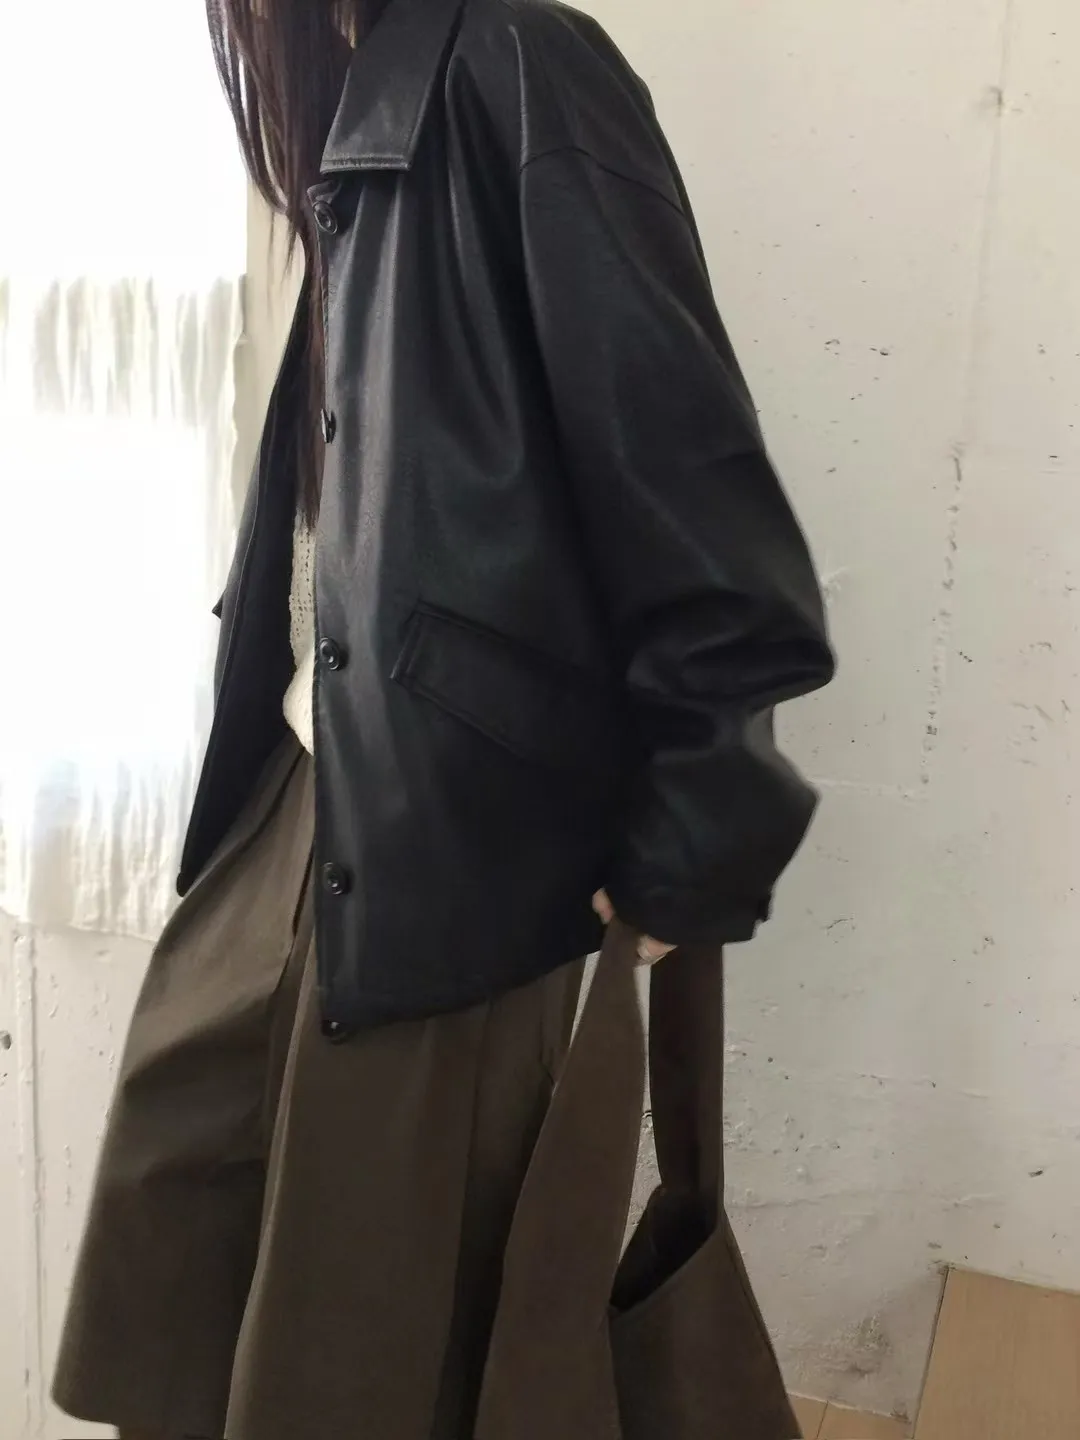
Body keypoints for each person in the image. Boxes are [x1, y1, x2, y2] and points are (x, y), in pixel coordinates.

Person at [53, 0, 834, 1435]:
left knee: (358, 1363)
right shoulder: (354, 91)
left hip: (452, 855)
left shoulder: (519, 68)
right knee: (180, 1279)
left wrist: (696, 832)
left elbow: (694, 489)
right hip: (295, 796)